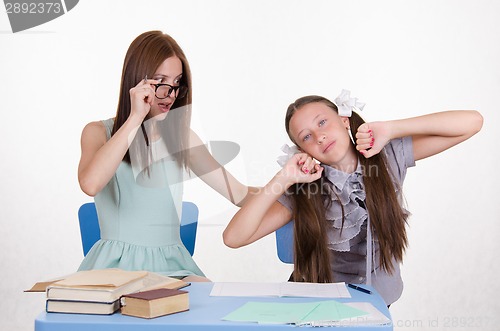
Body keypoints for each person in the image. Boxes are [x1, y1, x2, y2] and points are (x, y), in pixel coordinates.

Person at [223, 91, 483, 304]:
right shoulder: (305, 187)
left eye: (322, 122)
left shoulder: (387, 156)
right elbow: (234, 238)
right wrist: (283, 179)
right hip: (317, 306)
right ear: (302, 150)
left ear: (344, 120)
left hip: (377, 301)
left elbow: (471, 122)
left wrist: (392, 128)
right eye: (306, 137)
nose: (319, 136)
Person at [78, 31, 252, 282]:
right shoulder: (98, 132)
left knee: (206, 296)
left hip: (173, 269)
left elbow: (240, 194)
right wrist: (136, 117)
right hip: (115, 270)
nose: (170, 94)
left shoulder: (182, 138)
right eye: (160, 81)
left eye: (177, 84)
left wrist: (290, 184)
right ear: (138, 81)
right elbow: (91, 184)